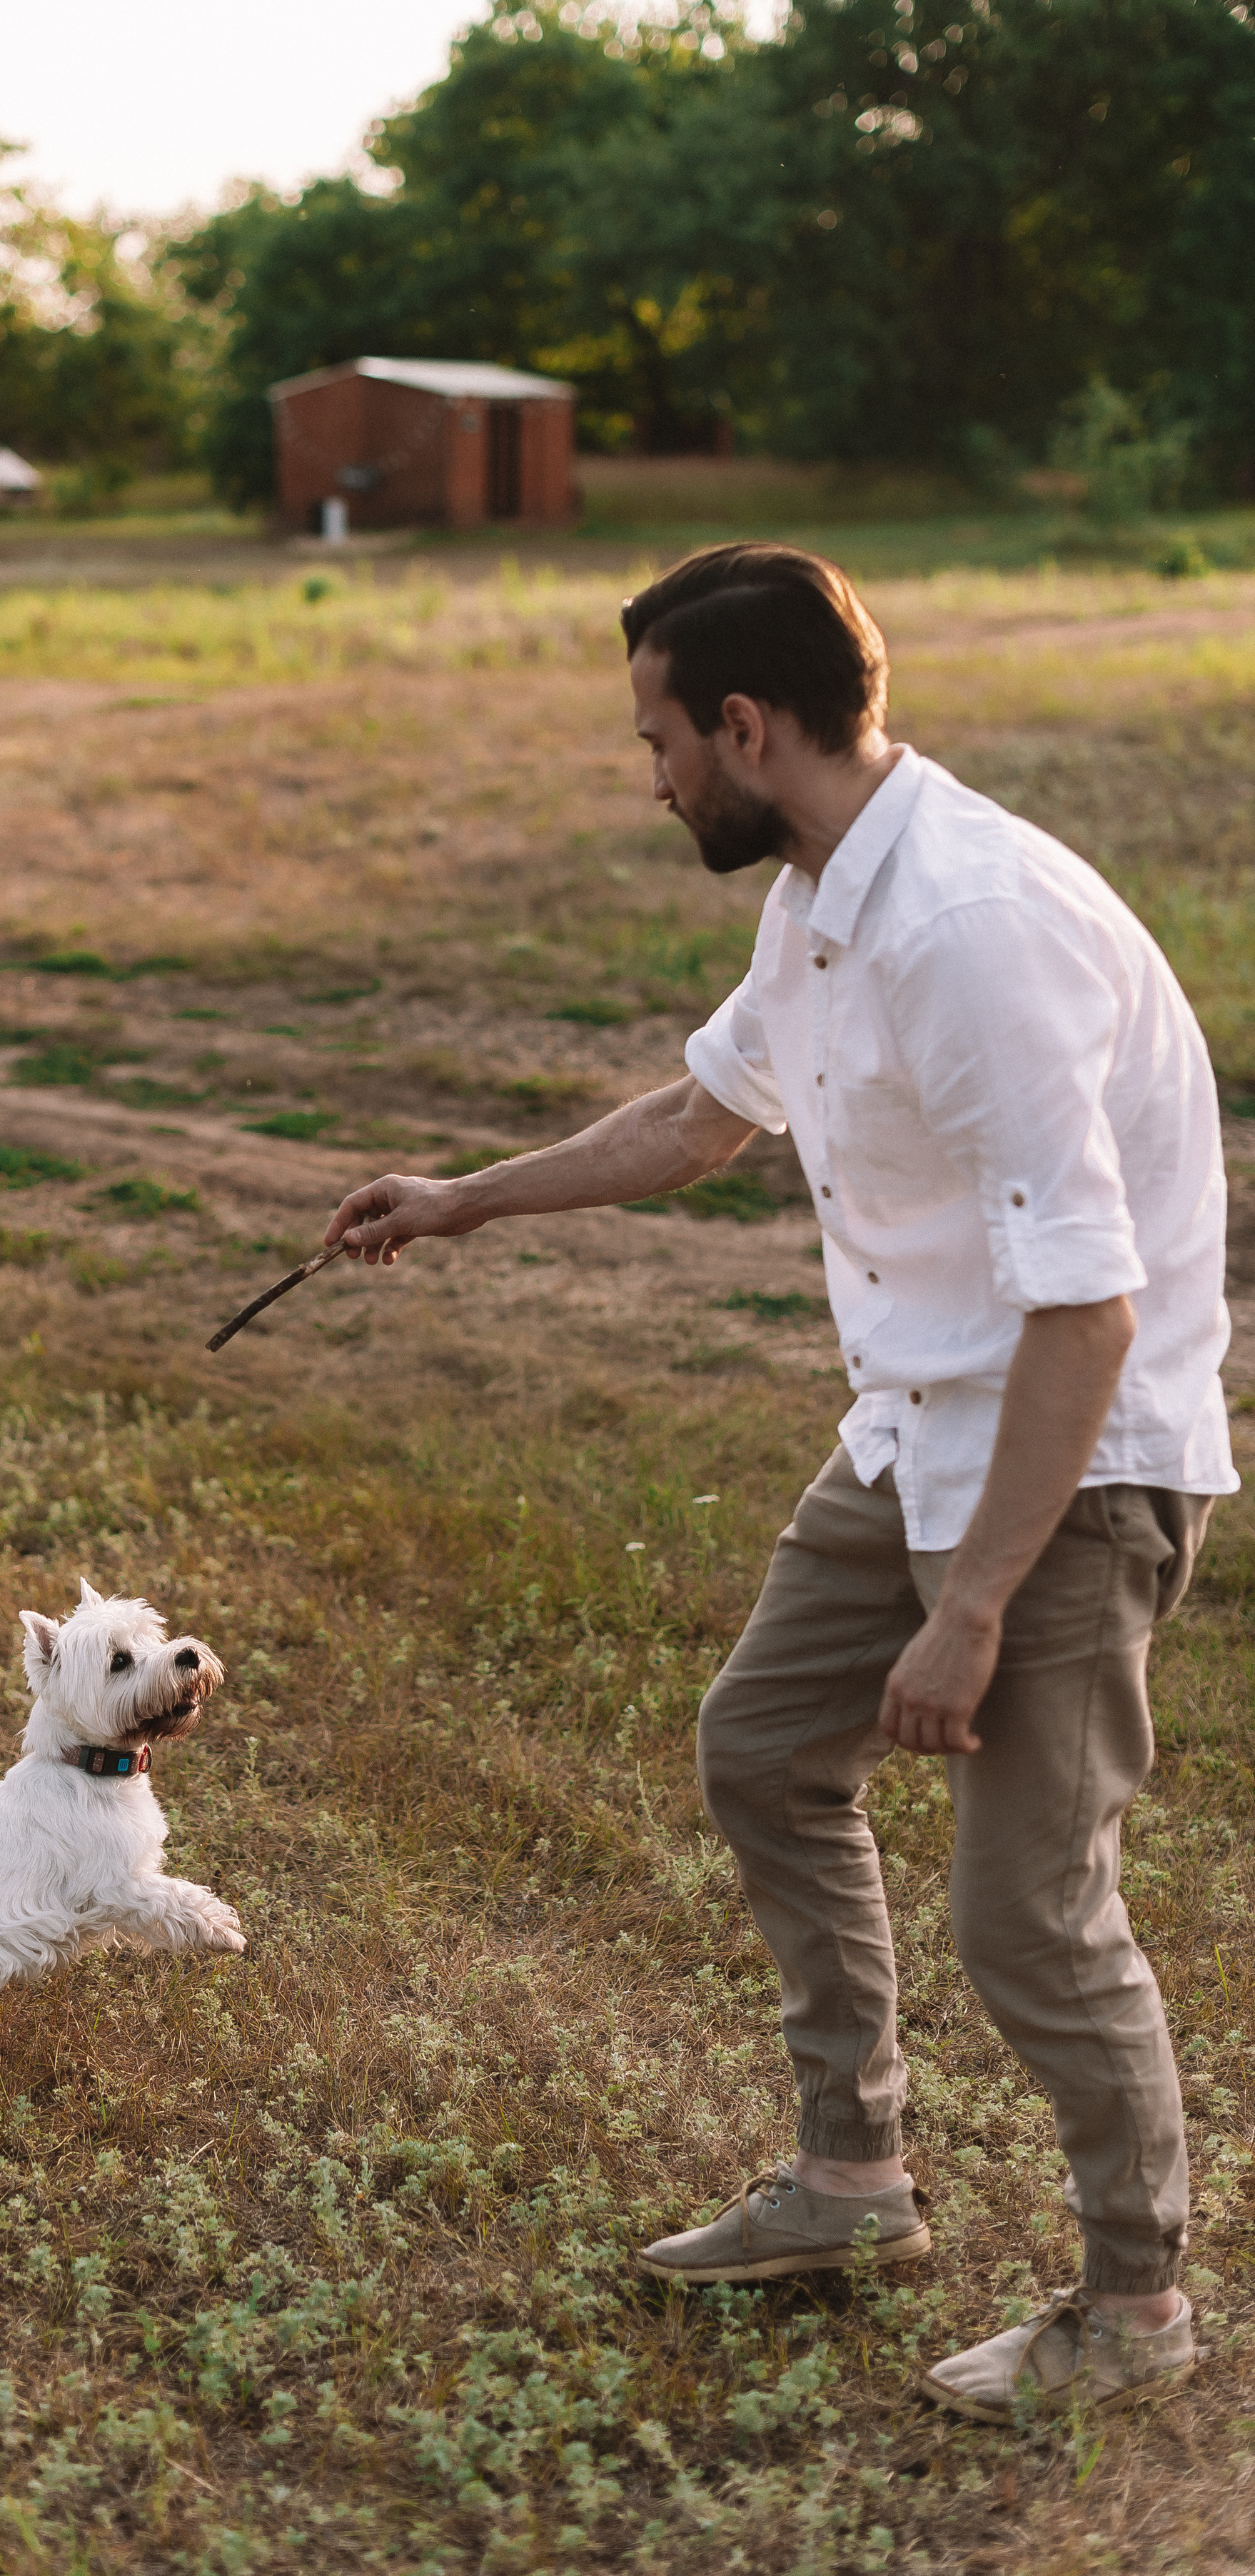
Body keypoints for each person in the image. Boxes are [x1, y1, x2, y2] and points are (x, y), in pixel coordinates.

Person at [321, 543, 1234, 2419]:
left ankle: (1137, 2312)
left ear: (748, 724)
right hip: (918, 1420)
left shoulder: (966, 924)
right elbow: (703, 1115)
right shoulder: (829, 893)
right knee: (764, 1744)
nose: (650, 776)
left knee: (1031, 1913)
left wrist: (974, 1607)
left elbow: (1089, 1304)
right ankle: (852, 2178)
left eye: (657, 737)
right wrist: (461, 1198)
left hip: (1070, 1463)